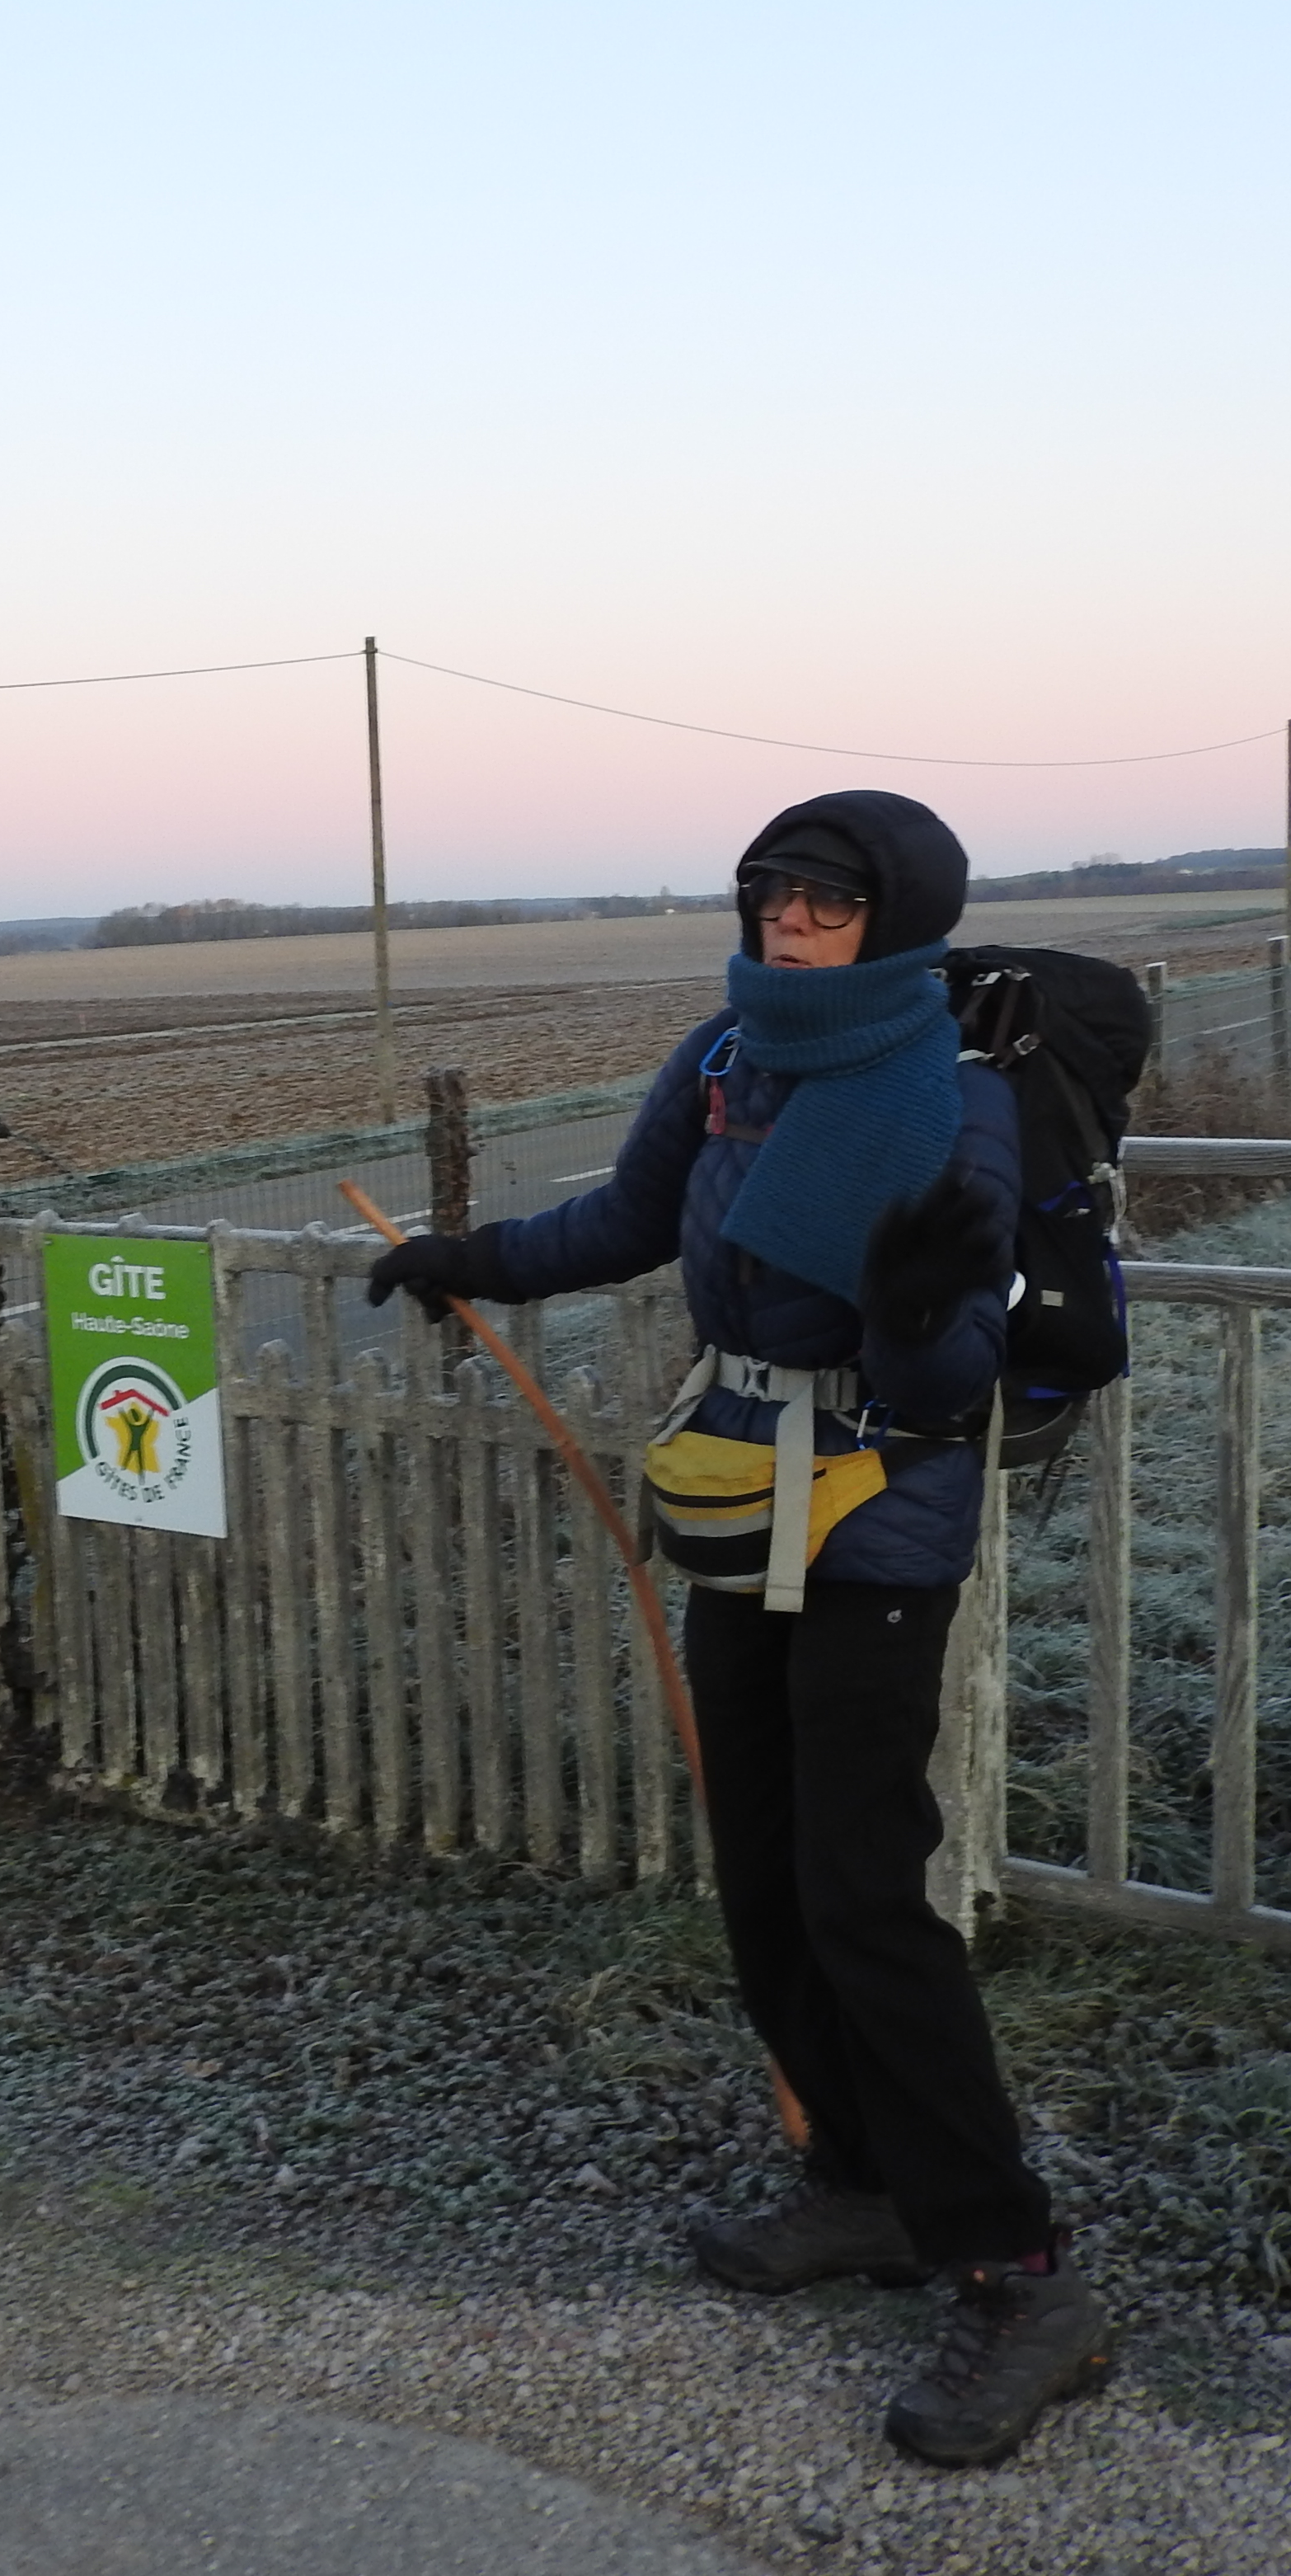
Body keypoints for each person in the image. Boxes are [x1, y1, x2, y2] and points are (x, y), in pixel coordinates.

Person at [364, 788, 1115, 2468]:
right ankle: (861, 2186)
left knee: (864, 1893)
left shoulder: (953, 1100)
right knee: (763, 1873)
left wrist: (922, 1313)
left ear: (896, 915)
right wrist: (464, 1255)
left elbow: (950, 1382)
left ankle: (1021, 2272)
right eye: (769, 893)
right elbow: (630, 1222)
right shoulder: (725, 1062)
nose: (786, 922)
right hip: (734, 1494)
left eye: (824, 902)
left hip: (880, 1514)